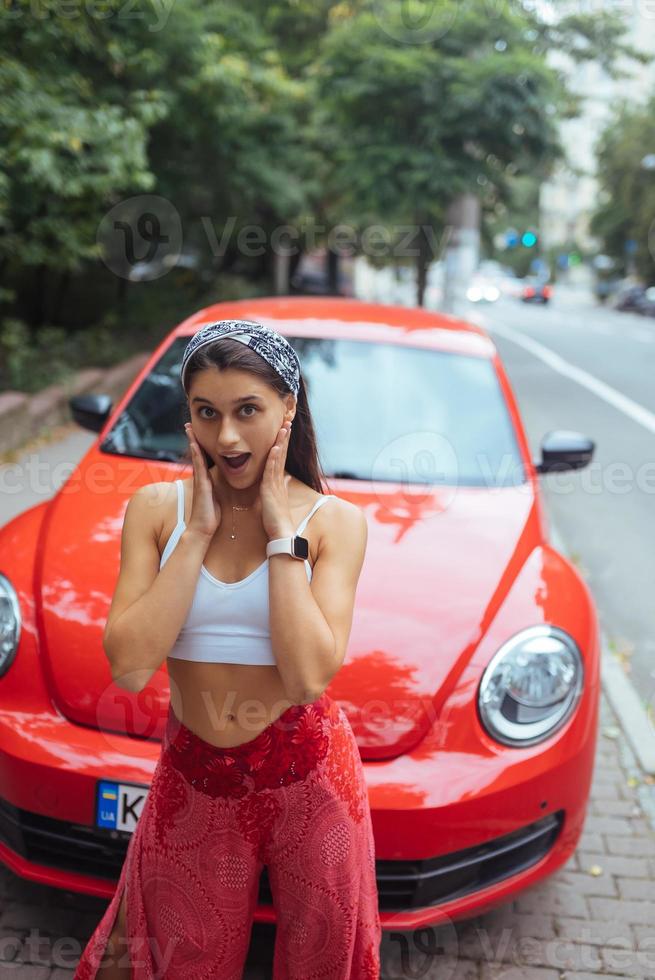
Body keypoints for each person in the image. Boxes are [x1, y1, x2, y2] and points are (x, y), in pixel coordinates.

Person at [74, 319, 382, 979]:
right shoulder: (156, 510)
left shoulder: (334, 523)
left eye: (248, 410)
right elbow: (128, 669)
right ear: (187, 418)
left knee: (319, 964)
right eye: (206, 414)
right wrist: (195, 536)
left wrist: (277, 532)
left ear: (288, 409)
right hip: (195, 781)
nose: (228, 437)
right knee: (182, 963)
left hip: (309, 778)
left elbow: (304, 677)